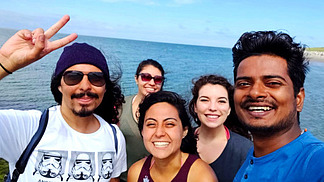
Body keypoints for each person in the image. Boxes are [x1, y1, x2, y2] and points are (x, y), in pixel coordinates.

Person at [0, 15, 127, 181]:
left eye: (96, 78)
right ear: (59, 85)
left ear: (105, 87)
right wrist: (5, 62)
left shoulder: (114, 138)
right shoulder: (27, 128)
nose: (85, 86)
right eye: (74, 77)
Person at [232, 31, 324, 181]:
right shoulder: (254, 156)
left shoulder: (316, 162)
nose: (255, 93)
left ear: (299, 98)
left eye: (273, 83)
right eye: (244, 84)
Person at [127, 91, 218, 182]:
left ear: (184, 131)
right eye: (151, 124)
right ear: (142, 131)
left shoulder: (200, 176)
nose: (159, 133)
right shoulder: (136, 172)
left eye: (169, 124)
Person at [188, 74, 252, 182]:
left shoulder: (246, 150)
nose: (212, 107)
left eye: (221, 101)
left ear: (229, 109)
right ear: (195, 106)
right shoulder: (179, 141)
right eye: (205, 100)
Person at [119, 59, 165, 181]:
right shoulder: (120, 106)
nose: (152, 82)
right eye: (146, 77)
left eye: (157, 79)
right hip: (122, 177)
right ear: (136, 79)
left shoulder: (167, 112)